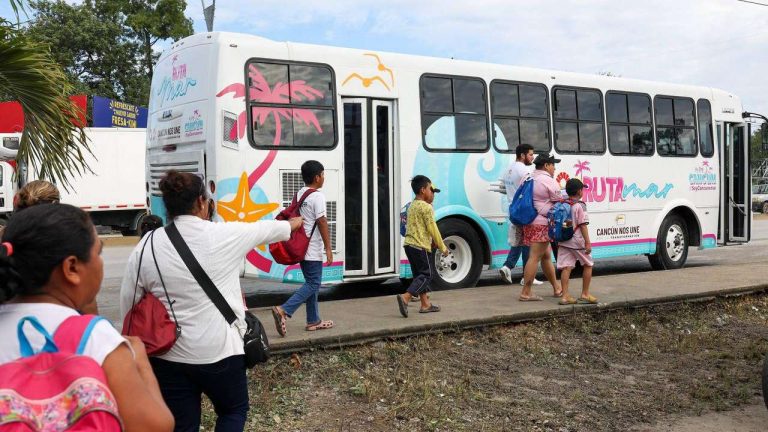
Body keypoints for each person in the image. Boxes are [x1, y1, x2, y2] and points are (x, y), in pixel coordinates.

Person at [119, 170, 302, 432]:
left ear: (168, 207)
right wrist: (293, 224)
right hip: (221, 353)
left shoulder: (147, 244)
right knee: (233, 410)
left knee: (182, 424)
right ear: (202, 203)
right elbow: (266, 229)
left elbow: (130, 302)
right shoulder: (224, 235)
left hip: (169, 355)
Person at [0, 204, 174, 431]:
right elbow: (154, 426)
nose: (100, 262)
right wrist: (139, 360)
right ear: (71, 267)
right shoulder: (96, 337)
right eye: (98, 253)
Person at [271, 160, 335, 335]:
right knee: (314, 283)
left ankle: (313, 320)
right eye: (323, 174)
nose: (324, 178)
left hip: (300, 246)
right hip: (312, 248)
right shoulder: (318, 196)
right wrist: (329, 248)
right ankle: (283, 310)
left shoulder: (300, 193)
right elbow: (321, 221)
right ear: (316, 177)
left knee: (310, 283)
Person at [395, 175, 448, 317]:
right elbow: (433, 228)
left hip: (409, 245)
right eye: (432, 190)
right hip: (420, 246)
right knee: (427, 274)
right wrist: (443, 247)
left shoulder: (412, 205)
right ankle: (405, 298)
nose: (433, 194)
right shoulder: (426, 207)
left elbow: (419, 226)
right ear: (423, 190)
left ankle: (425, 305)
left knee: (419, 275)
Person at [520, 154, 564, 301]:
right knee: (534, 257)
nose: (555, 168)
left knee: (545, 256)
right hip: (542, 223)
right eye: (553, 165)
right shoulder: (548, 180)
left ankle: (557, 288)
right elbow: (559, 200)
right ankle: (526, 292)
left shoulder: (527, 177)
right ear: (546, 165)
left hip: (529, 221)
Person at [499, 144, 543, 286]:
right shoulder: (523, 170)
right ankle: (527, 276)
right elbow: (532, 187)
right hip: (524, 210)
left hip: (513, 209)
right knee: (527, 242)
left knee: (520, 241)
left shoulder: (508, 169)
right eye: (530, 154)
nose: (532, 157)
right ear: (522, 155)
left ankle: (507, 267)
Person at [557, 178, 597, 305]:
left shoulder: (562, 203)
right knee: (588, 264)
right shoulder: (580, 205)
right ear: (580, 191)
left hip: (563, 241)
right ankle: (585, 294)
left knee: (566, 267)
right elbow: (583, 225)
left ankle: (565, 296)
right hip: (576, 242)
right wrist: (588, 242)